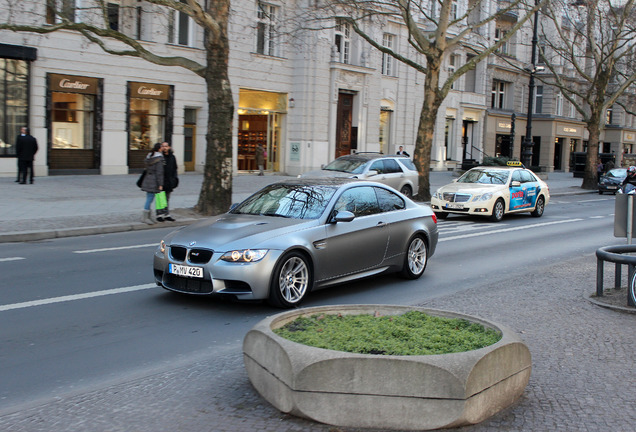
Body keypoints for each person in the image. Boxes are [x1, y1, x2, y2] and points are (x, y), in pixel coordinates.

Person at [139, 142, 164, 225]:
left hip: (147, 179)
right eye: (162, 147)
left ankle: (148, 216)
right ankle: (145, 217)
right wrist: (160, 184)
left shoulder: (149, 156)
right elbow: (159, 172)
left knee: (149, 197)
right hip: (154, 180)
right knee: (150, 198)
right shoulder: (159, 159)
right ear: (159, 149)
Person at [159, 141, 178, 222]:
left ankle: (166, 214)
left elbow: (175, 168)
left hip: (169, 180)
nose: (165, 148)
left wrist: (174, 179)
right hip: (161, 180)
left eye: (166, 146)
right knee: (160, 198)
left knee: (167, 198)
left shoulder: (172, 157)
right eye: (163, 146)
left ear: (169, 147)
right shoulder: (159, 157)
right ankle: (159, 215)